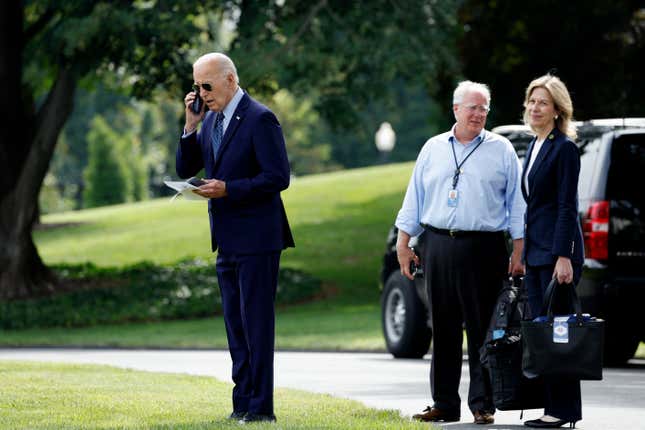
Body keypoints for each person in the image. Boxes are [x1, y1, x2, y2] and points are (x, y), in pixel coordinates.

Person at [395, 80, 526, 425]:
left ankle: (483, 403)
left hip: (484, 247)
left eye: (484, 108)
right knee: (444, 326)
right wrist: (403, 242)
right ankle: (444, 403)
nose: (479, 114)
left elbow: (516, 204)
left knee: (484, 328)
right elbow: (415, 199)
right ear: (456, 109)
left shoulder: (501, 149)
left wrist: (519, 249)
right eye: (473, 107)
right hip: (437, 244)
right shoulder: (433, 148)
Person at [176, 52, 294, 424]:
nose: (201, 93)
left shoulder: (260, 118)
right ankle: (242, 402)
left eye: (206, 85)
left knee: (256, 324)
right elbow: (185, 168)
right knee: (235, 325)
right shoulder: (209, 120)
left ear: (229, 79)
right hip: (225, 239)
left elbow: (278, 178)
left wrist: (229, 189)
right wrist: (189, 126)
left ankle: (261, 408)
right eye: (196, 86)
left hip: (259, 239)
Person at [520, 74, 584, 429]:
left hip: (556, 255)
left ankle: (563, 410)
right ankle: (551, 406)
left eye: (542, 102)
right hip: (535, 254)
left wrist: (563, 255)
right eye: (532, 101)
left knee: (560, 333)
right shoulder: (535, 146)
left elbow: (565, 206)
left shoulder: (564, 148)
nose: (535, 108)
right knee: (543, 332)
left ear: (557, 109)